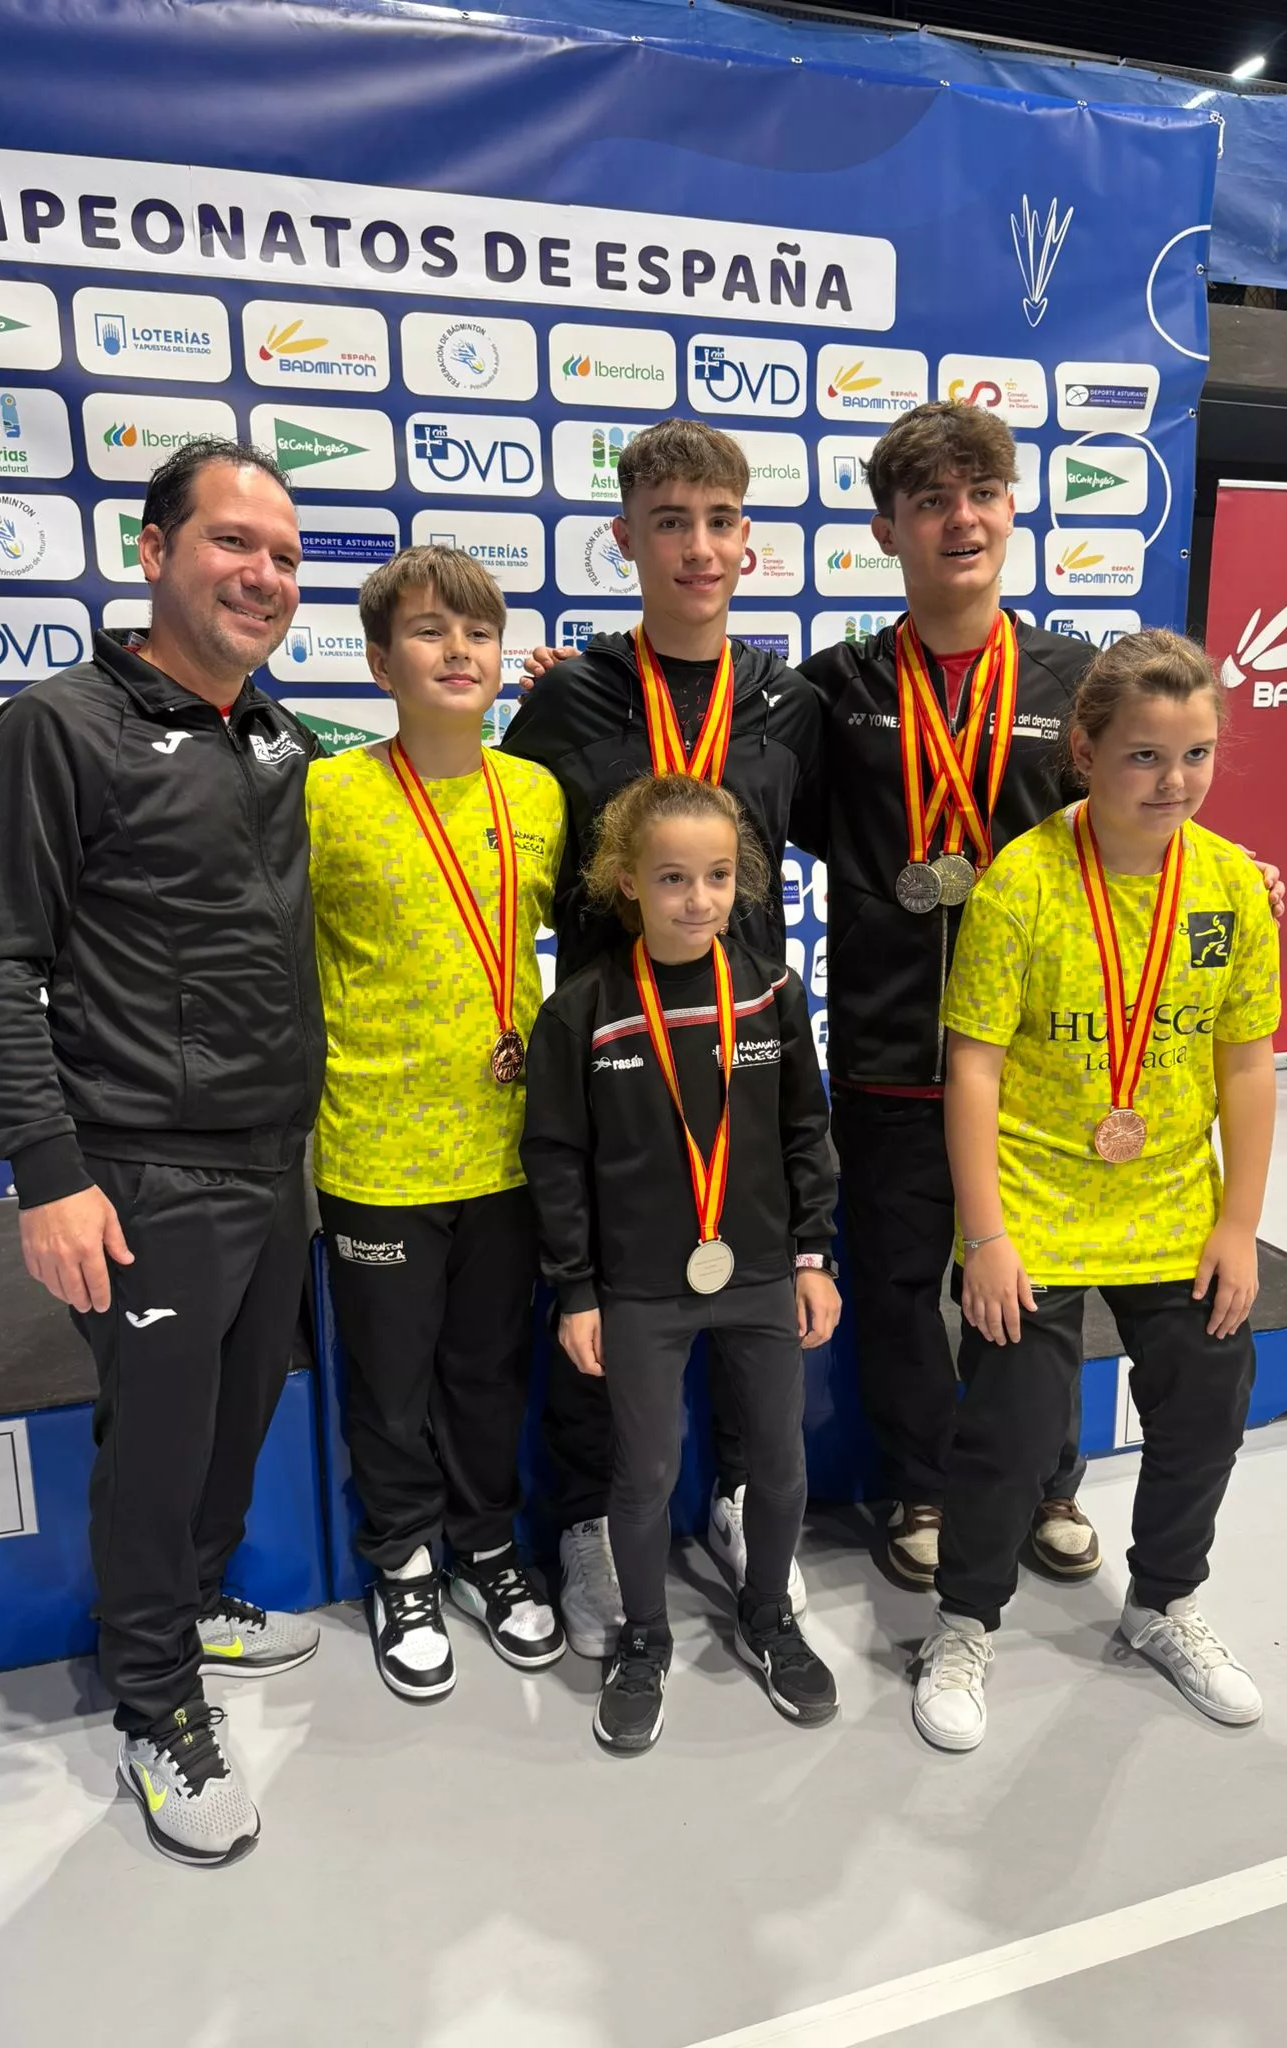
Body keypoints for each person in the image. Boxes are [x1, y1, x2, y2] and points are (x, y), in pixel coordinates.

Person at [798, 402, 1283, 1590]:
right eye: (930, 500)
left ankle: (1050, 1480)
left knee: (1042, 1290)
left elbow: (1143, 812)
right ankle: (922, 1480)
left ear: (1012, 508)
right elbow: (725, 782)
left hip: (1046, 1064)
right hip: (890, 1039)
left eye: (983, 492)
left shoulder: (1074, 678)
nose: (961, 518)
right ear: (886, 527)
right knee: (909, 1290)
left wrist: (1240, 867)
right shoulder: (833, 690)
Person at [0, 438, 324, 1868]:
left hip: (269, 1153)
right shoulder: (59, 727)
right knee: (157, 1448)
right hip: (140, 1170)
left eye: (285, 556)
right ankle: (154, 1696)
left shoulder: (278, 739)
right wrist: (45, 1171)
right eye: (234, 543)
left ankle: (193, 1596)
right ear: (153, 549)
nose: (264, 575)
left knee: (228, 1433)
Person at [912, 629, 1278, 1753]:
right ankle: (964, 1623)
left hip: (1173, 1206)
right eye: (1145, 756)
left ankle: (1163, 1600)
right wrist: (986, 1237)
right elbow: (970, 1064)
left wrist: (1239, 1224)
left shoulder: (1228, 883)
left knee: (1208, 1403)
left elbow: (1247, 1060)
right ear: (1084, 750)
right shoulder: (1021, 883)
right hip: (1034, 1203)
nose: (1175, 782)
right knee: (1014, 1430)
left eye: (1197, 754)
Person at [501, 418, 823, 1657]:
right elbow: (498, 852)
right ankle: (589, 1521)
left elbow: (901, 832)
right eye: (672, 521)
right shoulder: (568, 698)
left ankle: (739, 1504)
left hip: (741, 1059)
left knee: (747, 1311)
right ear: (624, 537)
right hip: (614, 1066)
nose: (699, 545)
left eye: (721, 520)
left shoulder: (789, 700)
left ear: (749, 539)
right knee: (608, 1319)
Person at [521, 773, 841, 1754]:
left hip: (757, 1273)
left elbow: (803, 1129)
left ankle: (767, 1619)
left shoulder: (770, 994)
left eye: (714, 876)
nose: (695, 898)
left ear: (740, 881)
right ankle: (643, 1637)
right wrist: (576, 1289)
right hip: (640, 1290)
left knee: (781, 1461)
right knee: (647, 1469)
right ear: (628, 881)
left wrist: (814, 1253)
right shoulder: (583, 1012)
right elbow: (558, 1161)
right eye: (671, 877)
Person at [308, 546, 567, 1700]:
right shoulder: (327, 795)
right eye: (427, 632)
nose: (458, 650)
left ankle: (487, 1545)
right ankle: (402, 1558)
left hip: (509, 1145)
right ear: (379, 661)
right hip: (375, 1147)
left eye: (477, 630)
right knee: (393, 1378)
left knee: (486, 1367)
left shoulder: (540, 792)